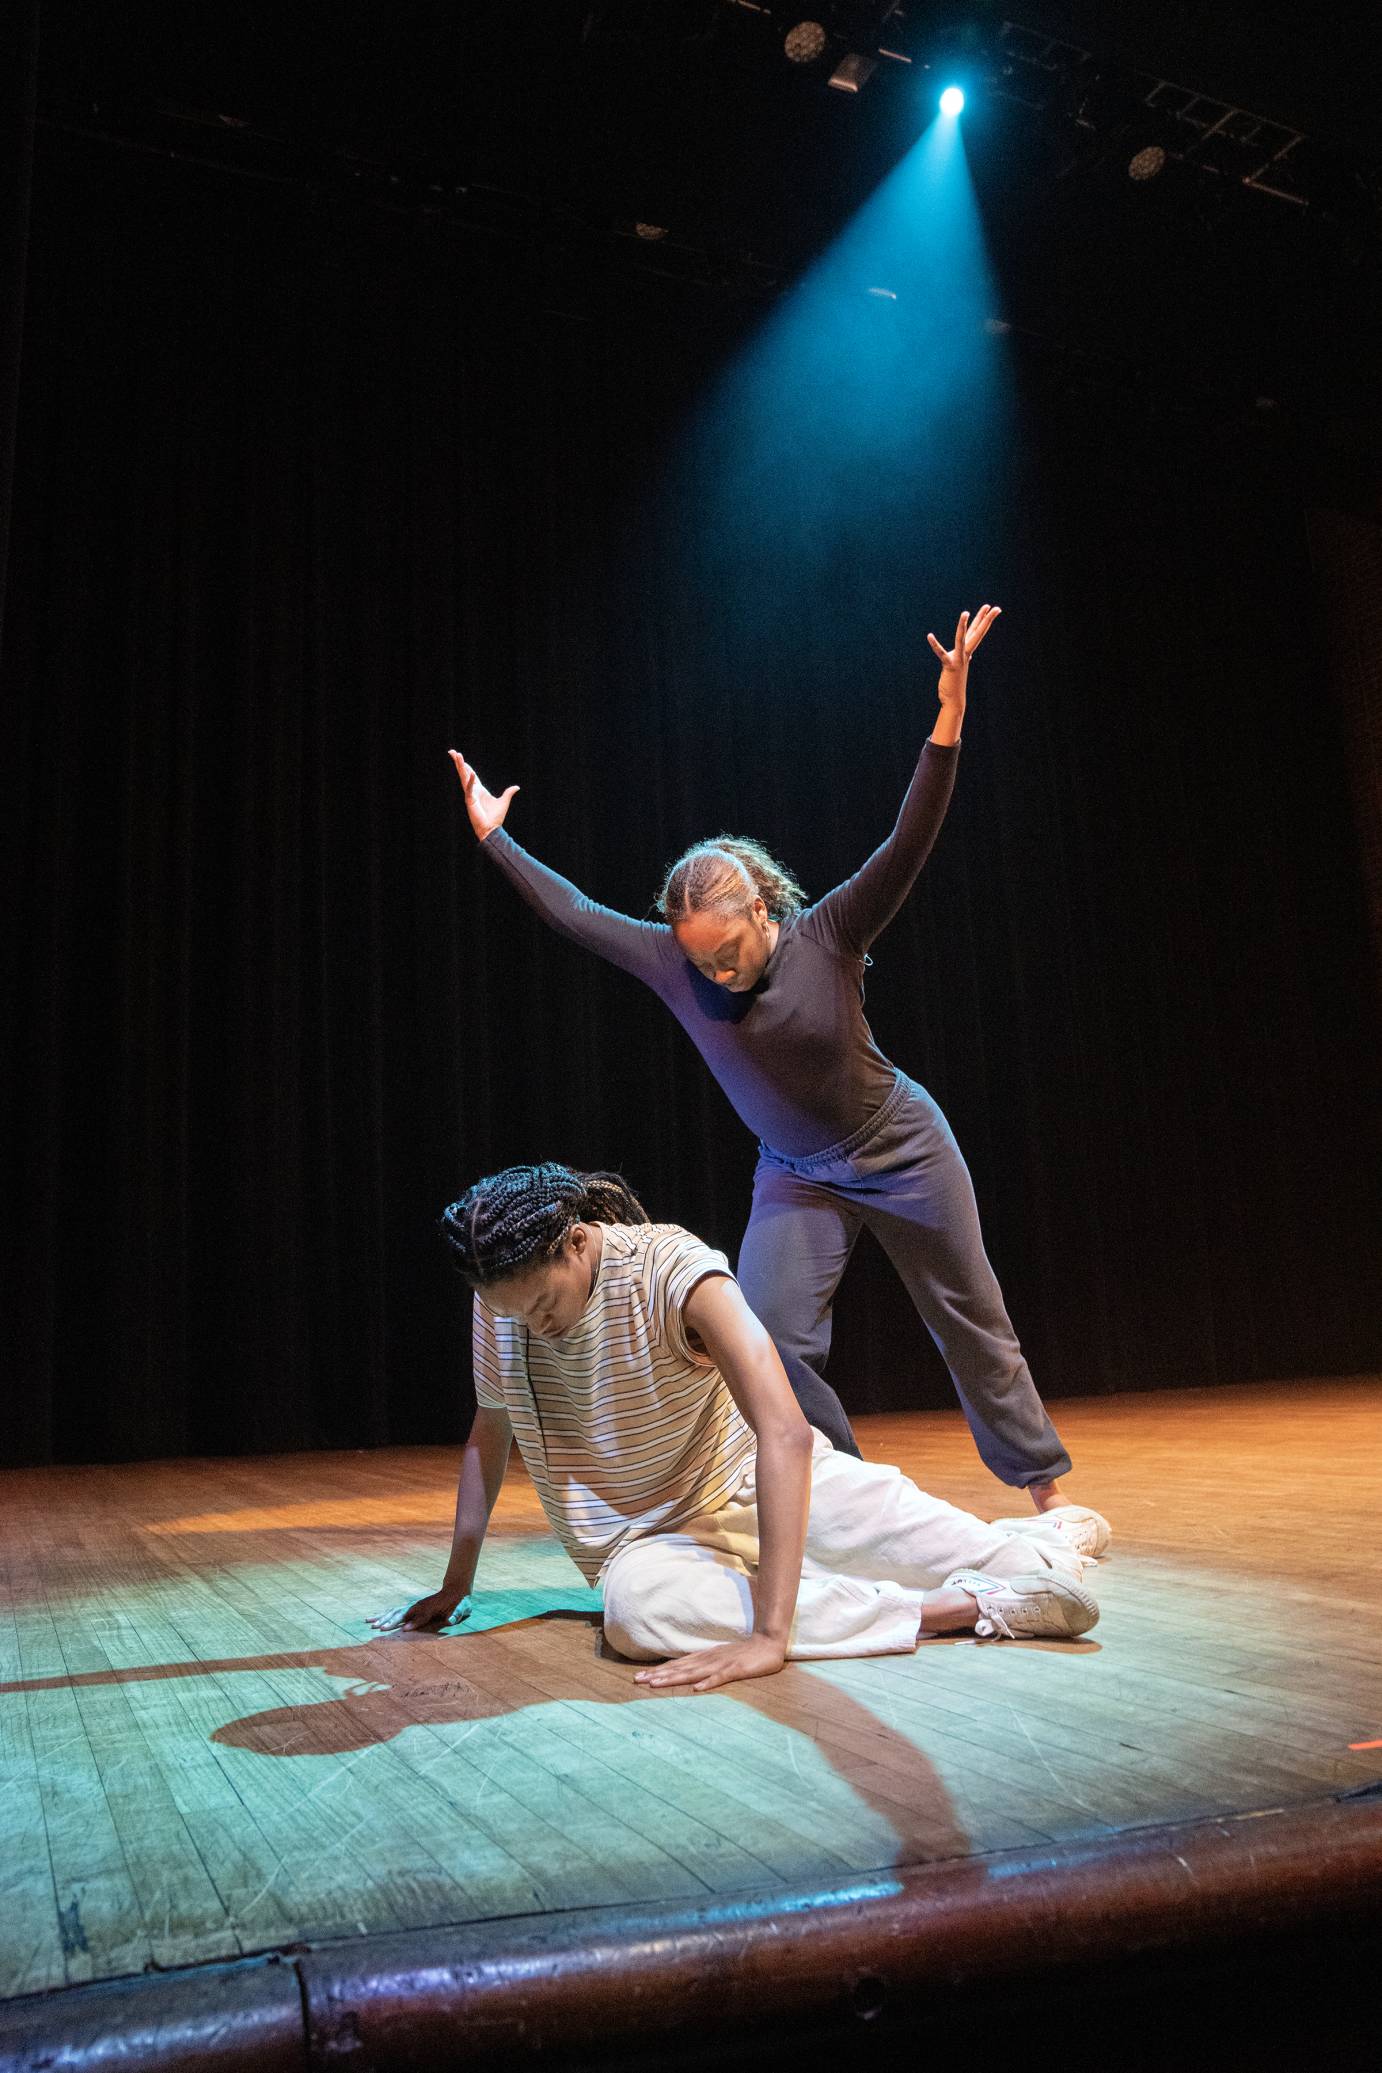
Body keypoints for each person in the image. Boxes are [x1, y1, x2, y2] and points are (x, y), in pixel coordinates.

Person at [450, 607, 1105, 1534]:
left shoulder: (830, 934)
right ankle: (853, 1498)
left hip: (900, 1145)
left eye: (728, 953)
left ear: (762, 907)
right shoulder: (671, 961)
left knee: (970, 1318)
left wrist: (949, 716)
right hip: (794, 1174)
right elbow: (574, 912)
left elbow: (907, 838)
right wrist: (492, 837)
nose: (716, 972)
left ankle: (1045, 1490)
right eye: (701, 959)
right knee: (768, 1340)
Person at [369, 1163, 1099, 1693]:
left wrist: (771, 1638)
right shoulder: (502, 1305)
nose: (530, 1324)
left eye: (540, 1304)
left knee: (1042, 1579)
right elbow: (490, 1432)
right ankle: (956, 1609)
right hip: (645, 1543)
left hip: (758, 1481)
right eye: (510, 1312)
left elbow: (785, 1432)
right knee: (637, 1618)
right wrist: (455, 1583)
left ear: (576, 1243)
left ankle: (1039, 1545)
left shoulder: (670, 1267)